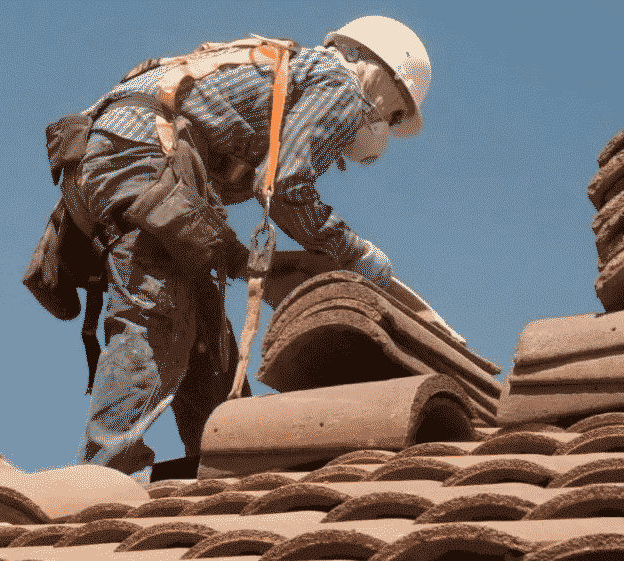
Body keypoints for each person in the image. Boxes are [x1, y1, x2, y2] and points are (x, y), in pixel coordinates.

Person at [65, 16, 433, 474]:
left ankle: (223, 464)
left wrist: (256, 263)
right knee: (159, 312)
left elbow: (199, 206)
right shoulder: (342, 82)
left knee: (202, 328)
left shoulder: (291, 72)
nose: (384, 120)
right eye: (396, 113)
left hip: (114, 158)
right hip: (141, 158)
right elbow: (284, 185)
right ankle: (101, 476)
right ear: (386, 72)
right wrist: (356, 253)